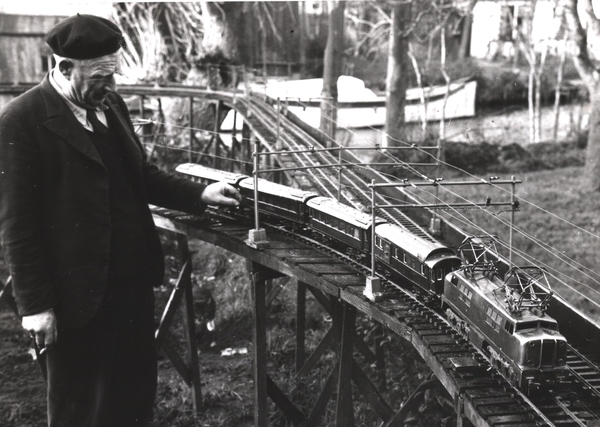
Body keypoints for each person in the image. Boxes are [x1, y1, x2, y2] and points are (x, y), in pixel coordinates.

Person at [0, 14, 241, 427]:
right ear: (63, 68)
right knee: (80, 405)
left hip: (129, 284)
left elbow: (140, 175)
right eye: (100, 78)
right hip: (74, 295)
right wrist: (36, 306)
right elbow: (16, 226)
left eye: (113, 75)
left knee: (132, 397)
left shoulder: (109, 105)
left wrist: (199, 193)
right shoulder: (21, 121)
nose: (111, 87)